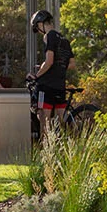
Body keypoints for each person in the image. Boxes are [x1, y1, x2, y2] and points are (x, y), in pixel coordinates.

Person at [27, 9, 75, 137]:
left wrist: (37, 76)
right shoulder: (65, 40)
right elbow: (71, 64)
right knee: (61, 120)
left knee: (44, 119)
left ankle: (45, 152)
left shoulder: (49, 36)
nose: (39, 31)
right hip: (60, 85)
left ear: (40, 24)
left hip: (46, 86)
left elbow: (49, 61)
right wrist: (56, 68)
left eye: (37, 27)